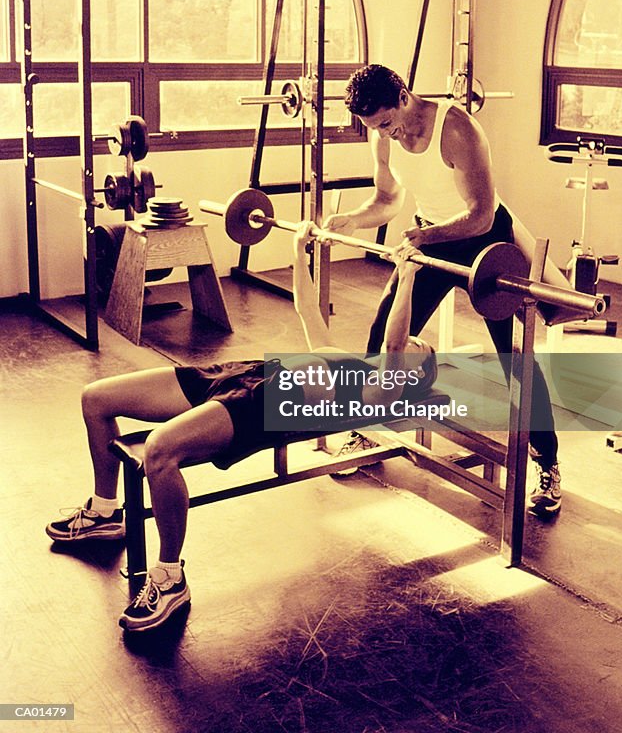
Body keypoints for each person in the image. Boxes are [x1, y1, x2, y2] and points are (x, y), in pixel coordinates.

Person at [46, 226, 437, 634]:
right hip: (243, 374)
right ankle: (106, 511)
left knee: (161, 450)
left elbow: (393, 346)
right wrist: (297, 250)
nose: (412, 342)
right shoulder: (348, 360)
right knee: (96, 398)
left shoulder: (384, 391)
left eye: (419, 349)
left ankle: (169, 577)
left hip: (268, 405)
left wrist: (407, 274)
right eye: (414, 340)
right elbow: (307, 311)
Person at [324, 64, 561, 517]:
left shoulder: (458, 129)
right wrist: (353, 218)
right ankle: (364, 427)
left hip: (483, 244)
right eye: (375, 129)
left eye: (387, 123)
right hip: (430, 236)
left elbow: (482, 215)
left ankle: (547, 463)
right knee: (381, 335)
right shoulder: (382, 136)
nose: (386, 134)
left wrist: (421, 239)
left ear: (403, 96)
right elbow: (388, 199)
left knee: (514, 358)